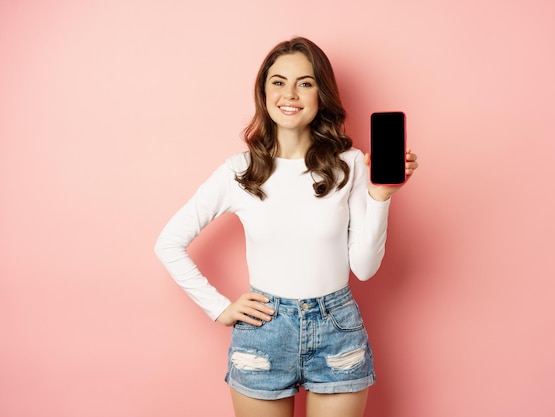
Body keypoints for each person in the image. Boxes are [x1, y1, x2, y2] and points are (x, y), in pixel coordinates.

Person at [154, 36, 418, 417]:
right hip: (264, 333)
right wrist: (219, 308)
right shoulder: (238, 172)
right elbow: (169, 242)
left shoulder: (351, 164)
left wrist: (381, 196)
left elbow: (364, 267)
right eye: (278, 81)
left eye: (305, 83)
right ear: (263, 92)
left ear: (321, 93)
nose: (289, 93)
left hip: (336, 329)